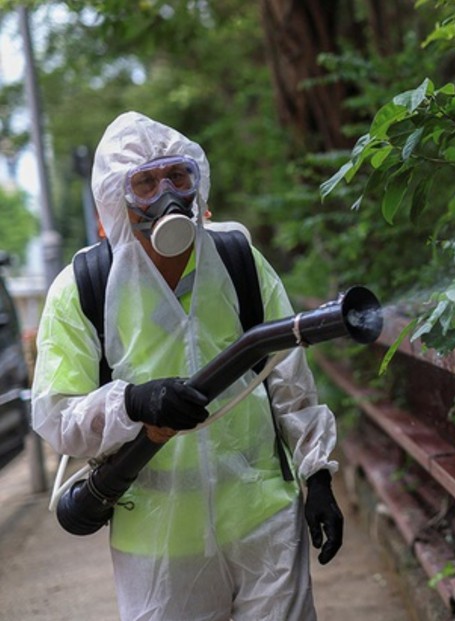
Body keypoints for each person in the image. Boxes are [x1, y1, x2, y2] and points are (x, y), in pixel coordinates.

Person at [31, 111, 343, 620]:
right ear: (117, 198)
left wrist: (319, 476)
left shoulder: (237, 258)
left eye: (178, 176)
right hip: (158, 544)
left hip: (262, 517)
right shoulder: (83, 287)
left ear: (198, 181)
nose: (167, 194)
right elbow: (58, 417)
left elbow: (288, 378)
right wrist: (134, 401)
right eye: (146, 183)